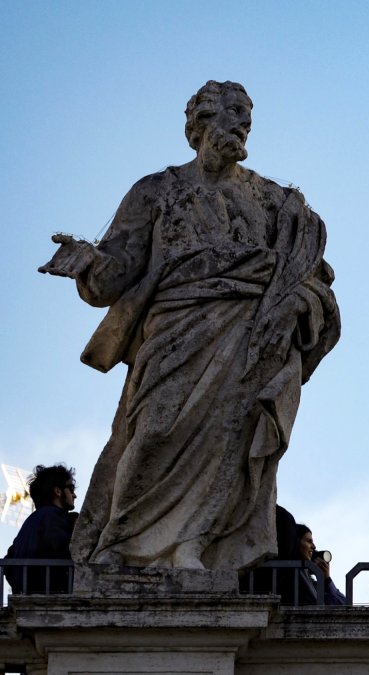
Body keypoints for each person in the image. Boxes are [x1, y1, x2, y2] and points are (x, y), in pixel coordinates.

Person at [39, 81, 340, 571]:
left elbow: (308, 272)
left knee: (228, 440)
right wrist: (87, 262)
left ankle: (191, 547)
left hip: (246, 337)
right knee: (154, 430)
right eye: (232, 114)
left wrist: (298, 303)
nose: (242, 125)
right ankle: (119, 543)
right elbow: (117, 272)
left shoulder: (272, 200)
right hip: (173, 333)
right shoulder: (156, 191)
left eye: (247, 116)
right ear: (198, 125)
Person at [3, 464, 77, 593]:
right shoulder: (54, 516)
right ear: (58, 491)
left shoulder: (29, 523)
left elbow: (8, 564)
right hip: (50, 597)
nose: (74, 495)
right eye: (71, 488)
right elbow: (62, 548)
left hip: (26, 597)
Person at [296, 523, 347, 606]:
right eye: (309, 541)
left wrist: (326, 580)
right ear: (296, 542)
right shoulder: (292, 573)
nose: (314, 546)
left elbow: (344, 606)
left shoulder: (311, 582)